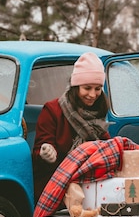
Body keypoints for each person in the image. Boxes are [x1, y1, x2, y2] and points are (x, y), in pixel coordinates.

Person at [31, 52, 111, 201]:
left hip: (89, 184)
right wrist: (46, 153)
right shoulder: (53, 110)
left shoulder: (97, 112)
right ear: (76, 86)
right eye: (87, 88)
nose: (93, 95)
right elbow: (39, 150)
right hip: (55, 186)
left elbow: (105, 145)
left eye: (98, 88)